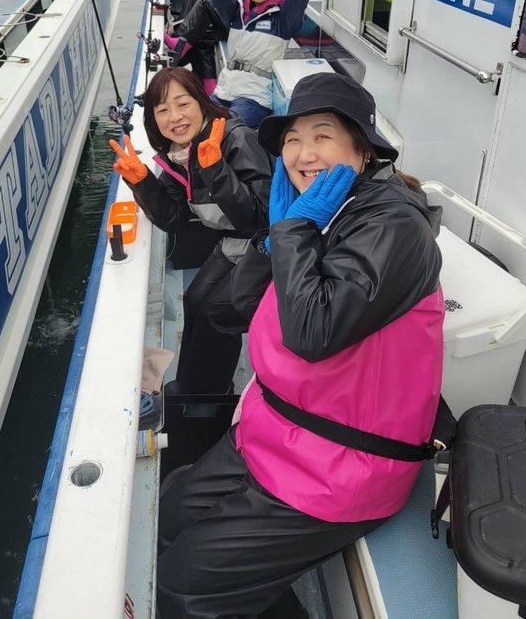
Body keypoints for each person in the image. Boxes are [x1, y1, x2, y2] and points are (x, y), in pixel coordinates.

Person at [156, 71, 445, 618]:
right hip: (276, 430)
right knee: (166, 517)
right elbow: (236, 309)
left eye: (322, 136)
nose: (303, 153)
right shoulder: (320, 212)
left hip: (342, 463)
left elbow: (314, 334)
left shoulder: (393, 227)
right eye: (292, 140)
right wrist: (276, 234)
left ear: (362, 149)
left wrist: (292, 231)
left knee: (179, 587)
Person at [109, 67, 273, 395]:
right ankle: (191, 387)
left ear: (201, 102)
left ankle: (210, 395)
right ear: (153, 120)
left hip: (270, 243)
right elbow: (175, 220)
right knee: (195, 299)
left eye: (183, 104)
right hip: (235, 242)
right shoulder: (177, 156)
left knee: (217, 312)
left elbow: (259, 215)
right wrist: (142, 183)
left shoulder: (237, 139)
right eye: (162, 110)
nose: (175, 117)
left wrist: (216, 170)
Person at [178, 0, 334, 130]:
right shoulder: (237, 11)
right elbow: (220, 0)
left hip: (254, 99)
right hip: (223, 91)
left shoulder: (283, 18)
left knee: (229, 129)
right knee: (195, 120)